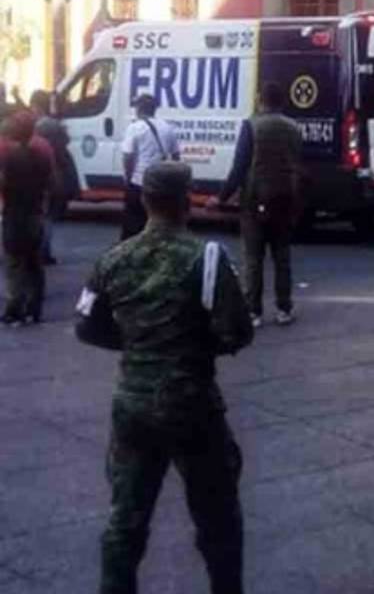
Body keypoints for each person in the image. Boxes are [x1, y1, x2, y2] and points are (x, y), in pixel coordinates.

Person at [76, 161, 254, 593]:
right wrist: (195, 345)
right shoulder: (206, 258)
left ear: (143, 199)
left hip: (133, 405)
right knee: (218, 517)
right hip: (191, 403)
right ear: (186, 200)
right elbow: (238, 330)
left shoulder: (114, 259)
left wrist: (138, 344)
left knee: (126, 521)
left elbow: (87, 326)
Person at [210, 82, 303, 327]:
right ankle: (284, 308)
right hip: (285, 199)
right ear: (282, 102)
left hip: (254, 199)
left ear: (261, 101)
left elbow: (239, 167)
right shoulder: (294, 128)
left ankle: (253, 311)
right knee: (282, 256)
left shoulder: (251, 126)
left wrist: (221, 198)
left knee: (253, 257)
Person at [0, 111, 54, 324]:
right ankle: (35, 307)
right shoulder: (41, 155)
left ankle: (15, 307)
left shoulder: (9, 158)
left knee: (14, 263)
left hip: (14, 213)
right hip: (35, 213)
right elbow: (52, 183)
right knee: (34, 262)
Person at [120, 94, 180, 240]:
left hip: (140, 181)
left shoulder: (134, 128)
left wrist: (128, 178)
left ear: (139, 109)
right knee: (159, 220)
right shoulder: (167, 127)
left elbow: (128, 156)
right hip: (161, 182)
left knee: (133, 223)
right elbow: (176, 156)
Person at [30, 90, 76, 265]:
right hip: (59, 174)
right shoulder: (55, 125)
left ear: (36, 106)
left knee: (44, 215)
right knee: (49, 216)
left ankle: (42, 251)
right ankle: (45, 251)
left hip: (47, 174)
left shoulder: (40, 127)